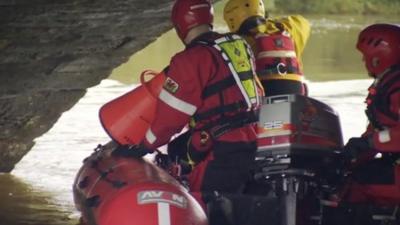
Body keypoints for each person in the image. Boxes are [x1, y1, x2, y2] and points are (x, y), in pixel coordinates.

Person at [115, 0, 262, 212]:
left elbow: (169, 120)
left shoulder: (188, 61)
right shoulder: (239, 44)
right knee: (178, 148)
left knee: (202, 205)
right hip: (257, 137)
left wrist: (143, 146)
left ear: (179, 26)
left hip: (223, 147)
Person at [324, 24, 400, 225]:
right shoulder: (388, 83)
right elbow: (377, 131)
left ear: (379, 55)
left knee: (354, 186)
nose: (363, 61)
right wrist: (348, 158)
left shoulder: (396, 86)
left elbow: (383, 137)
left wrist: (370, 143)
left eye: (364, 55)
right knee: (349, 175)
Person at [223, 0, 310, 96]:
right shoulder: (286, 28)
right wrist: (270, 23)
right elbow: (304, 22)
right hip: (295, 90)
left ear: (231, 20)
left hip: (264, 93)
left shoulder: (234, 42)